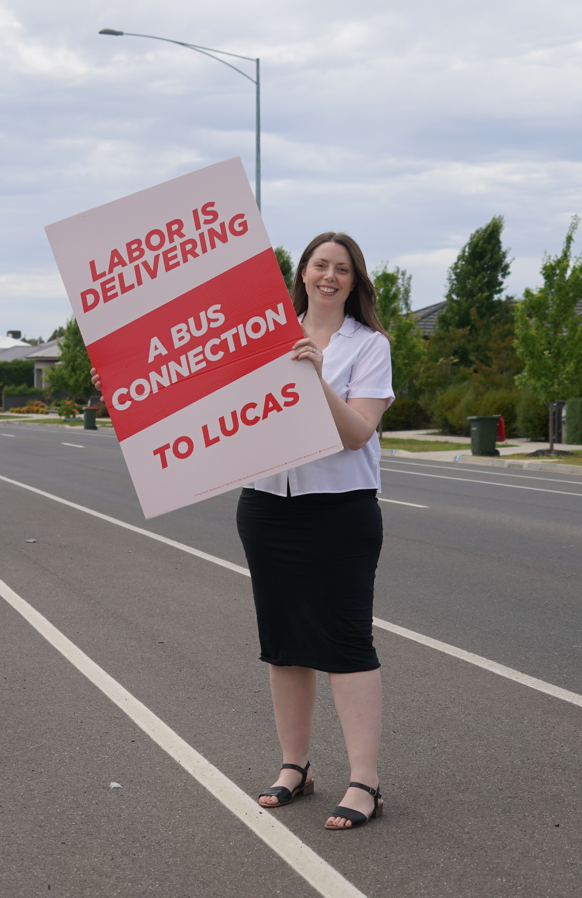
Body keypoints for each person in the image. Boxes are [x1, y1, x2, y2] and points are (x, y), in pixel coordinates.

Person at [92, 231, 393, 830]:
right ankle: (295, 768)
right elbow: (200, 394)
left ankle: (366, 783)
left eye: (342, 269)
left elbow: (358, 432)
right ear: (301, 272)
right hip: (266, 507)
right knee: (283, 643)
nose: (329, 276)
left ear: (354, 281)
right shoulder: (261, 332)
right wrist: (128, 395)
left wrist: (318, 378)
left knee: (345, 642)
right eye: (319, 265)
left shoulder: (370, 345)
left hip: (340, 509)